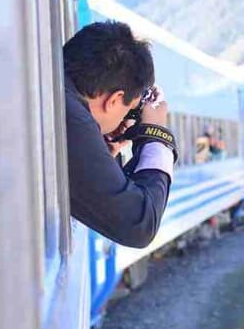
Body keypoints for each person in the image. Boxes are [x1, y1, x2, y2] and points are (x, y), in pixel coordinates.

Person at [63, 21, 176, 248]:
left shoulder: (57, 92)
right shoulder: (71, 116)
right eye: (128, 107)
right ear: (114, 100)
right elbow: (139, 225)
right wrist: (156, 137)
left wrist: (101, 151)